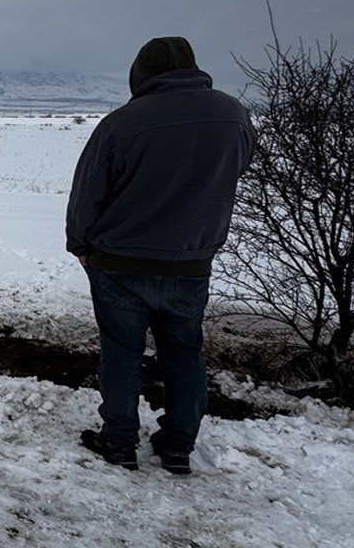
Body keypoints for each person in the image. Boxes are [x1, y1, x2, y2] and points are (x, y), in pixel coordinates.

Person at [66, 36, 255, 474]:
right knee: (185, 353)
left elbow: (87, 193)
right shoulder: (235, 117)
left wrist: (81, 245)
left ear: (141, 74)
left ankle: (118, 442)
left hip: (118, 262)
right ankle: (177, 446)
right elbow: (235, 168)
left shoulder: (121, 124)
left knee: (120, 352)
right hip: (190, 261)